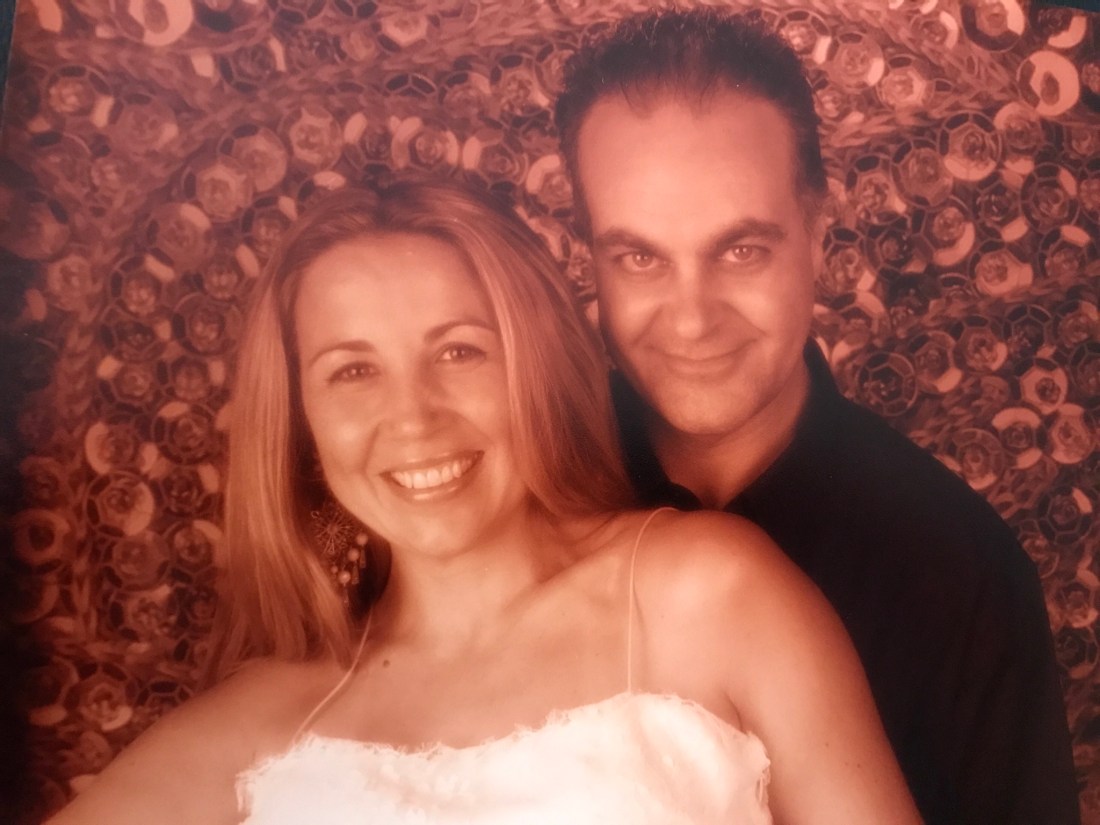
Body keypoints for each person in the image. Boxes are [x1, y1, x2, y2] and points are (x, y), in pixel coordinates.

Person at [47, 181, 921, 824]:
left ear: (532, 367)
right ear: (302, 422)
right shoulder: (262, 722)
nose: (413, 416)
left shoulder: (708, 591)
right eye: (353, 371)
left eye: (459, 352)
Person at [554, 8, 1079, 824]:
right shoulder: (529, 488)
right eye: (640, 257)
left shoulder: (960, 573)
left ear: (818, 235)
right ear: (592, 257)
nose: (691, 319)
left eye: (741, 250)